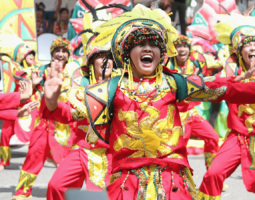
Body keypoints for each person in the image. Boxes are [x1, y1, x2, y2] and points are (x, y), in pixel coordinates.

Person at [42, 5, 255, 200]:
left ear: (161, 53)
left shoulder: (174, 83)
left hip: (172, 181)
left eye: (153, 44)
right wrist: (51, 100)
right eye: (139, 44)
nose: (147, 48)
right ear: (127, 54)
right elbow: (70, 113)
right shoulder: (110, 89)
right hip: (128, 183)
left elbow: (223, 90)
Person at [44, 17, 122, 199]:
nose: (106, 61)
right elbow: (66, 114)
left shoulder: (121, 86)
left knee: (99, 197)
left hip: (110, 152)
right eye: (101, 56)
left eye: (110, 57)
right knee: (55, 186)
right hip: (82, 149)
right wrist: (52, 100)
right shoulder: (81, 88)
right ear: (92, 62)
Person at [12, 37, 79, 200]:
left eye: (64, 51)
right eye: (57, 50)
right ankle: (22, 192)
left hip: (65, 126)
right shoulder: (41, 70)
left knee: (65, 162)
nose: (61, 54)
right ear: (52, 53)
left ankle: (64, 193)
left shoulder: (75, 73)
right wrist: (34, 84)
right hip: (44, 123)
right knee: (33, 157)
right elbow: (21, 83)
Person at [197, 11, 255, 199]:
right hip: (238, 137)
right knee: (213, 174)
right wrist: (239, 78)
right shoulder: (233, 75)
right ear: (239, 52)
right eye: (247, 44)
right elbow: (211, 90)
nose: (253, 48)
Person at [170, 35, 222, 169]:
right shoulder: (167, 67)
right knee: (178, 148)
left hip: (191, 114)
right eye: (178, 46)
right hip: (174, 116)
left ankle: (212, 174)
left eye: (185, 46)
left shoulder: (196, 64)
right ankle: (177, 181)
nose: (182, 49)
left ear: (189, 49)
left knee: (212, 137)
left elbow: (218, 65)